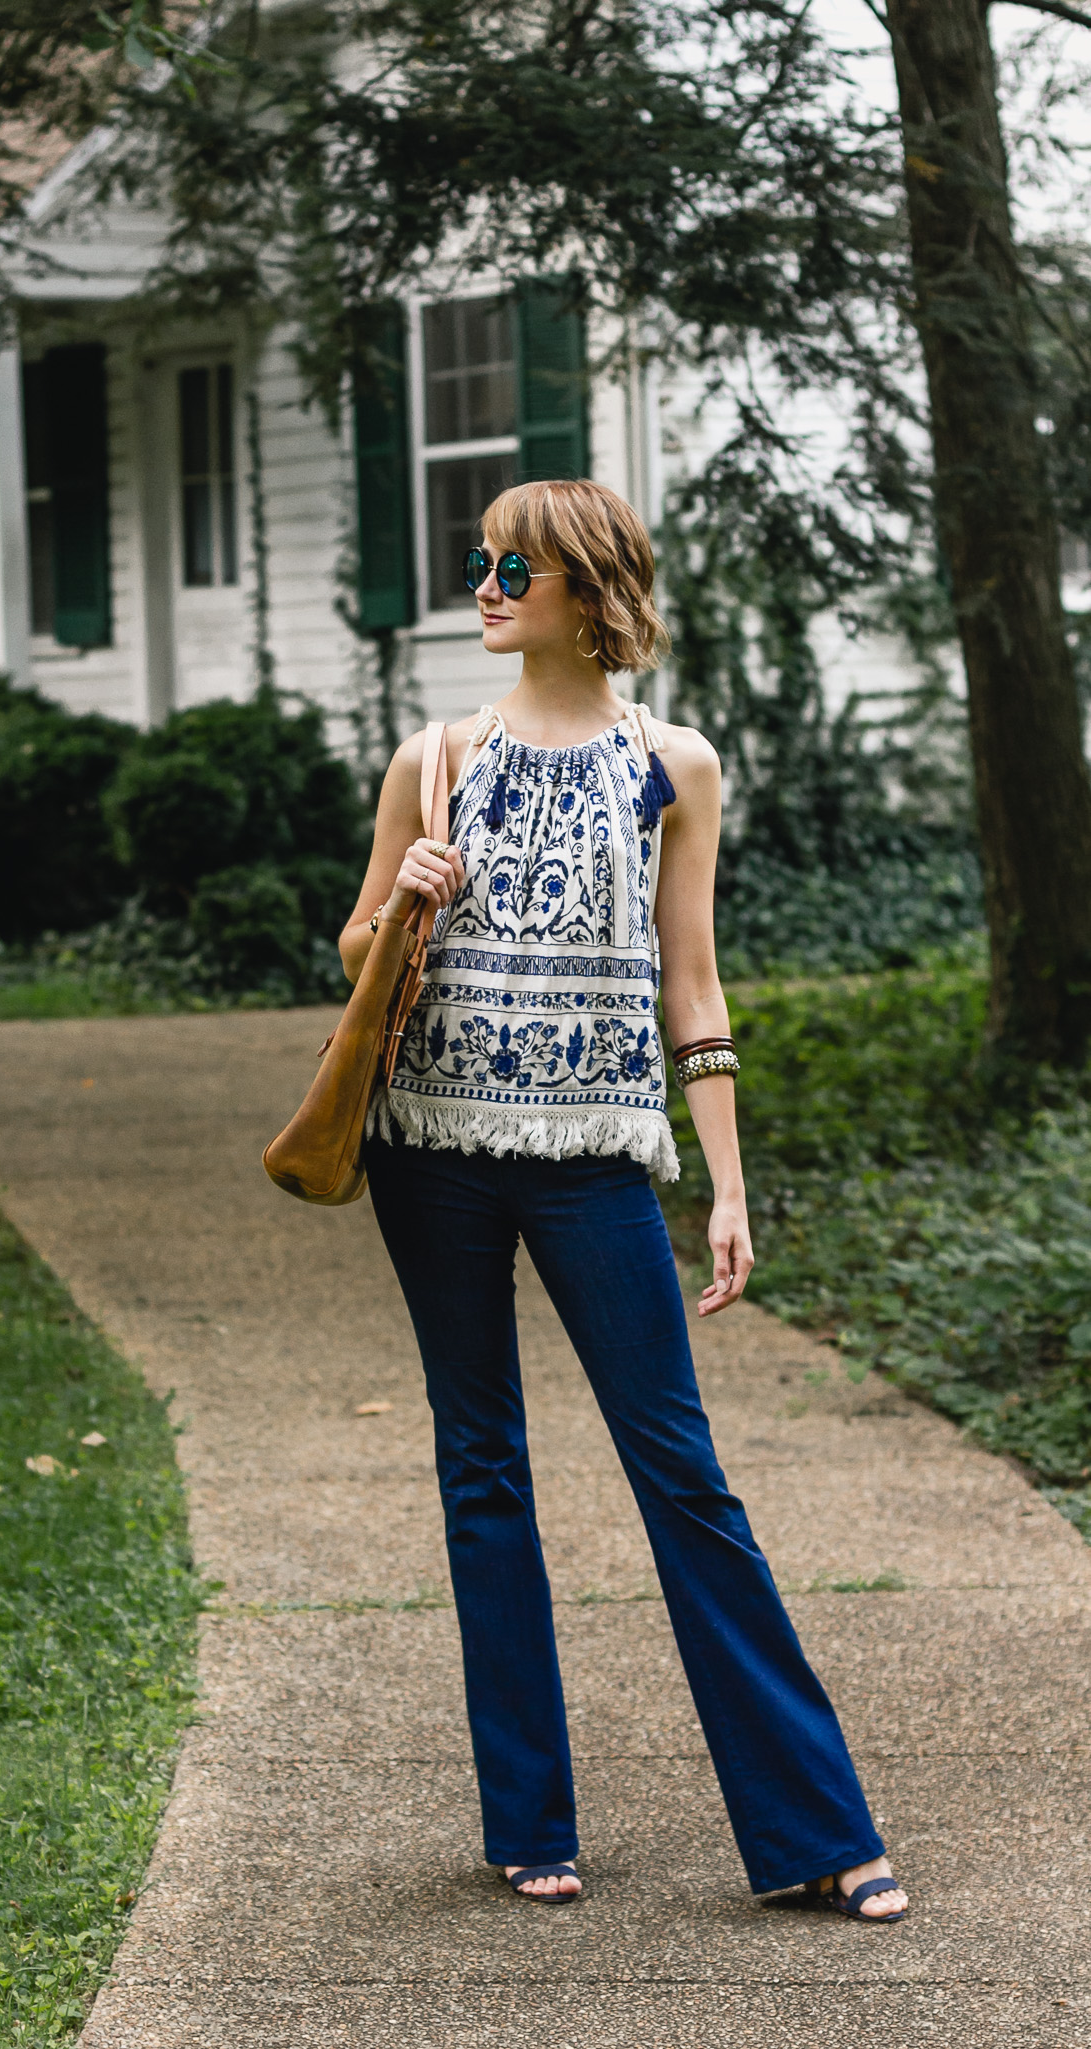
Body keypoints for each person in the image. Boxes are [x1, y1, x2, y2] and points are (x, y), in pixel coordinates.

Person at [337, 478, 907, 1922]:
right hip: (433, 1149)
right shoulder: (436, 752)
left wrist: (724, 1178)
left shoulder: (674, 764)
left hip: (594, 1155)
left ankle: (816, 1831)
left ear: (585, 587)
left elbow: (691, 981)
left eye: (507, 563)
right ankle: (528, 1821)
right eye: (476, 561)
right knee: (484, 1468)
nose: (481, 582)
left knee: (684, 1478)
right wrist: (400, 891)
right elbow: (353, 947)